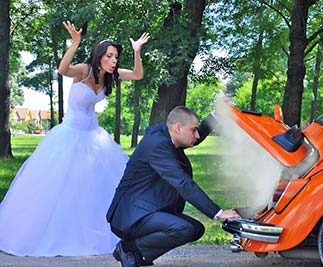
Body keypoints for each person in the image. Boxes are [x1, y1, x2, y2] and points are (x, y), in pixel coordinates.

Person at [0, 21, 150, 256]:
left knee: (98, 186)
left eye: (116, 57)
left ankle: (102, 229)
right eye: (110, 56)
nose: (113, 61)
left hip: (94, 138)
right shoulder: (84, 70)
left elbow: (139, 75)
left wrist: (137, 51)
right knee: (58, 186)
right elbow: (62, 70)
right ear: (99, 56)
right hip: (69, 135)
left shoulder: (111, 76)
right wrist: (75, 43)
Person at [106, 106, 241, 267]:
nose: (197, 135)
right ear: (178, 127)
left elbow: (194, 137)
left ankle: (137, 254)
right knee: (183, 229)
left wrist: (216, 114)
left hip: (148, 208)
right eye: (194, 130)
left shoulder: (168, 135)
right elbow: (183, 183)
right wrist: (218, 213)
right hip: (131, 214)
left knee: (196, 228)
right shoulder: (157, 145)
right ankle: (129, 249)